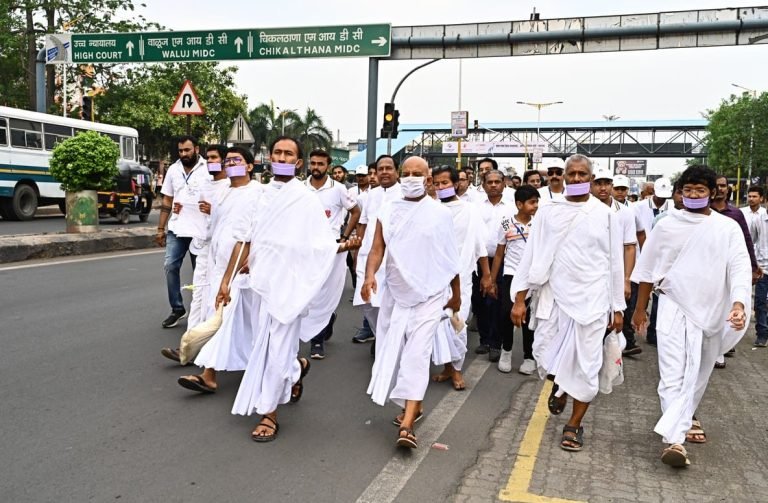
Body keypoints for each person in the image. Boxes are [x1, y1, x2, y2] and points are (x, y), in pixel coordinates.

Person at [218, 136, 360, 442]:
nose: (282, 156)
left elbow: (320, 244)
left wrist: (342, 247)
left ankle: (268, 413)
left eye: (288, 153)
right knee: (264, 344)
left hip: (291, 285)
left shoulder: (306, 199)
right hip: (259, 283)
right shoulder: (256, 196)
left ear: (298, 162)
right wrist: (226, 282)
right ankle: (296, 369)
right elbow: (244, 240)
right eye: (277, 152)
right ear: (269, 158)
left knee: (277, 346)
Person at [631, 165, 751, 467]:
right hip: (672, 305)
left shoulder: (727, 228)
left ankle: (678, 424)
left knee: (697, 375)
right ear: (680, 194)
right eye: (689, 190)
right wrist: (639, 308)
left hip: (712, 311)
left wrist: (738, 303)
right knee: (672, 373)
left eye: (700, 190)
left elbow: (739, 267)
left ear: (712, 192)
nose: (694, 195)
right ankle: (675, 440)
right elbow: (647, 269)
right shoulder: (667, 224)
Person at [511, 154, 625, 453]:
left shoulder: (606, 215)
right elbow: (531, 255)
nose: (575, 179)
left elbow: (614, 263)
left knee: (587, 366)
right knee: (549, 357)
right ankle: (561, 387)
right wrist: (520, 299)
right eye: (570, 174)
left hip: (593, 302)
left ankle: (574, 424)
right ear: (563, 177)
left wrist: (618, 306)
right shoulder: (548, 212)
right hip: (555, 298)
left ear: (590, 177)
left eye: (581, 174)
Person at [362, 156, 461, 449]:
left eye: (417, 173)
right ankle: (413, 405)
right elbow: (377, 249)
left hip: (430, 294)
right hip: (396, 292)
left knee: (417, 355)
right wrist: (370, 275)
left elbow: (450, 258)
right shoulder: (387, 209)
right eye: (406, 172)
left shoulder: (440, 214)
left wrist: (456, 294)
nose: (410, 177)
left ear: (428, 179)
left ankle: (407, 424)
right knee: (396, 351)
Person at [175, 146, 263, 390]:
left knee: (233, 317)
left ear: (249, 166)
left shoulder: (257, 192)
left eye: (237, 160)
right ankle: (210, 373)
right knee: (235, 321)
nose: (231, 163)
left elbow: (246, 236)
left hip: (241, 268)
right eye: (228, 160)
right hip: (219, 263)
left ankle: (209, 374)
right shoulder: (223, 191)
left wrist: (230, 276)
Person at [430, 165, 491, 390]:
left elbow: (480, 245)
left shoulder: (470, 210)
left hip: (462, 278)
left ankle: (456, 370)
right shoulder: (431, 209)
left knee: (457, 325)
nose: (440, 187)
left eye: (444, 183)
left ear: (455, 183)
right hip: (434, 279)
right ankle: (447, 367)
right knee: (438, 325)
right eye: (436, 183)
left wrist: (486, 275)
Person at [304, 150, 361, 360]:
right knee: (310, 293)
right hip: (307, 250)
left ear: (327, 166)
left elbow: (356, 211)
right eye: (313, 163)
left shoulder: (338, 189)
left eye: (320, 163)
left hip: (332, 248)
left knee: (325, 294)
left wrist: (344, 236)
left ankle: (317, 340)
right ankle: (324, 323)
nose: (316, 167)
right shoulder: (302, 188)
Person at [156, 136, 211, 328]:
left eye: (187, 150)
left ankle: (201, 312)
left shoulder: (208, 168)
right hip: (177, 228)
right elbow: (166, 201)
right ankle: (177, 308)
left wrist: (212, 208)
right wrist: (160, 229)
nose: (184, 154)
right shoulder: (173, 169)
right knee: (170, 266)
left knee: (200, 274)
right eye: (180, 151)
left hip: (201, 231)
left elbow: (220, 195)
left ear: (196, 149)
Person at [710, 175, 761, 368]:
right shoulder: (704, 211)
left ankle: (719, 351)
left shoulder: (736, 214)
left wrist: (753, 267)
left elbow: (746, 242)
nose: (721, 189)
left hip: (729, 269)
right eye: (717, 186)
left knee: (727, 307)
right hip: (708, 270)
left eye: (723, 186)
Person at [352, 155, 402, 350]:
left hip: (392, 258)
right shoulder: (370, 195)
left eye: (388, 168)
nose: (384, 172)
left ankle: (388, 345)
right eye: (380, 169)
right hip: (367, 256)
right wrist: (357, 253)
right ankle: (379, 336)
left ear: (397, 172)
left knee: (386, 304)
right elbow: (363, 223)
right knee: (367, 303)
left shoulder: (403, 194)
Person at [590, 166, 640, 356]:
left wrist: (626, 279)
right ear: (592, 185)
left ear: (611, 186)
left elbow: (629, 246)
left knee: (614, 318)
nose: (602, 188)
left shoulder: (625, 212)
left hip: (614, 273)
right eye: (598, 184)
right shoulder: (585, 209)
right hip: (590, 272)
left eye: (606, 184)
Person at [491, 185, 538, 375]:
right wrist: (492, 280)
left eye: (536, 202)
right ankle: (506, 350)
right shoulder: (505, 224)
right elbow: (499, 254)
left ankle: (529, 356)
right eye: (531, 202)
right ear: (519, 204)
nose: (535, 206)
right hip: (511, 274)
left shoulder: (539, 224)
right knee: (506, 314)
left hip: (533, 277)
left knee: (530, 316)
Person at [473, 169, 511, 362]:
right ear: (484, 185)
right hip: (478, 260)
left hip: (502, 261)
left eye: (498, 181)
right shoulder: (476, 207)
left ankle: (496, 343)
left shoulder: (511, 208)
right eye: (490, 182)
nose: (494, 185)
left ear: (504, 183)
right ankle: (484, 339)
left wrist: (492, 276)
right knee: (479, 302)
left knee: (495, 301)